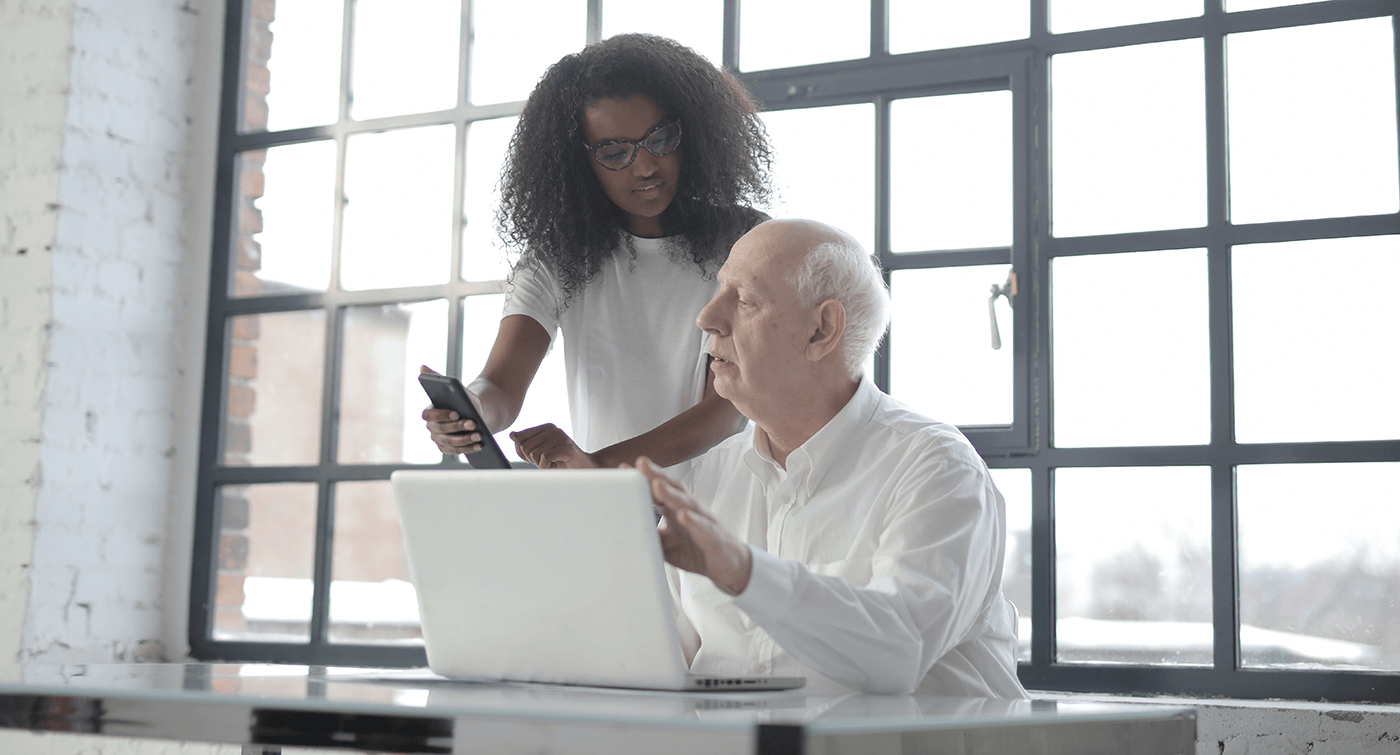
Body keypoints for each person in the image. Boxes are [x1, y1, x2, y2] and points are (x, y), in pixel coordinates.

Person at [629, 218, 1027, 698]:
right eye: (720, 290)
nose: (708, 317)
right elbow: (654, 664)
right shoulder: (710, 475)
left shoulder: (937, 468)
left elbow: (898, 651)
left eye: (746, 299)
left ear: (821, 330)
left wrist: (743, 570)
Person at [423, 34, 771, 471]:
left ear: (692, 133)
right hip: (614, 513)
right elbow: (500, 386)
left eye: (660, 138)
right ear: (577, 162)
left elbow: (723, 413)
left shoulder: (748, 243)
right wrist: (470, 410)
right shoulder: (557, 257)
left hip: (727, 511)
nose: (645, 166)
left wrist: (595, 465)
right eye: (614, 152)